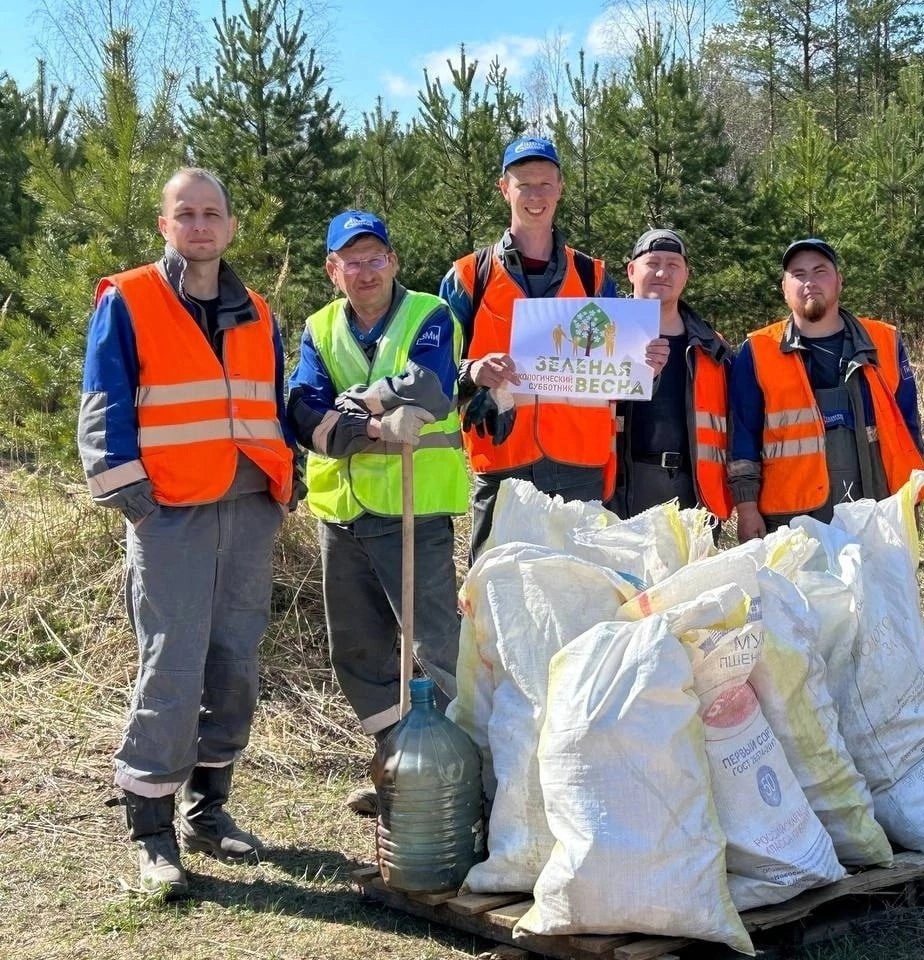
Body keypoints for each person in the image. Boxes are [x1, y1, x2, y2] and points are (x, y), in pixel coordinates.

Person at [78, 167, 297, 898]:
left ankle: (210, 810)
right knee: (172, 663)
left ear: (230, 227)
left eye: (212, 213)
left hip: (247, 509)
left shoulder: (259, 310)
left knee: (234, 660)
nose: (200, 226)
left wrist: (282, 479)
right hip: (168, 509)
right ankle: (152, 831)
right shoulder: (131, 298)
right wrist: (128, 493)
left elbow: (270, 399)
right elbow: (103, 396)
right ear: (165, 226)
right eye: (186, 214)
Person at [287, 210, 468, 816]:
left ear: (393, 261)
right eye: (351, 261)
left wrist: (356, 404)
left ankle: (465, 776)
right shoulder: (318, 328)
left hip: (414, 511)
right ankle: (399, 765)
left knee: (440, 646)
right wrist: (370, 424)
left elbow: (431, 385)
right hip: (341, 514)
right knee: (360, 650)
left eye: (375, 257)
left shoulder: (430, 315)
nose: (365, 271)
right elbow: (302, 409)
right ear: (332, 270)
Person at [439, 135, 668, 557]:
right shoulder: (469, 277)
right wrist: (470, 371)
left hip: (579, 467)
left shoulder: (594, 277)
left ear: (561, 188)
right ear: (503, 188)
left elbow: (612, 375)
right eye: (524, 184)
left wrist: (643, 368)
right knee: (497, 597)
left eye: (546, 183)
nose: (536, 195)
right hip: (503, 466)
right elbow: (436, 371)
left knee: (578, 597)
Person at [728, 238, 924, 539]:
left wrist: (912, 499)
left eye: (820, 271)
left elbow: (908, 429)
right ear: (784, 288)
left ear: (839, 281)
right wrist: (746, 508)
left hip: (876, 508)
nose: (810, 282)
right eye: (799, 274)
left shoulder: (884, 342)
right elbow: (742, 435)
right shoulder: (757, 351)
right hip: (792, 519)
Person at [612, 228, 733, 525]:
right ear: (631, 270)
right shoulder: (604, 337)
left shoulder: (712, 347)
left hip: (695, 494)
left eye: (673, 265)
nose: (662, 272)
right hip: (620, 491)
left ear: (686, 275)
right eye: (652, 263)